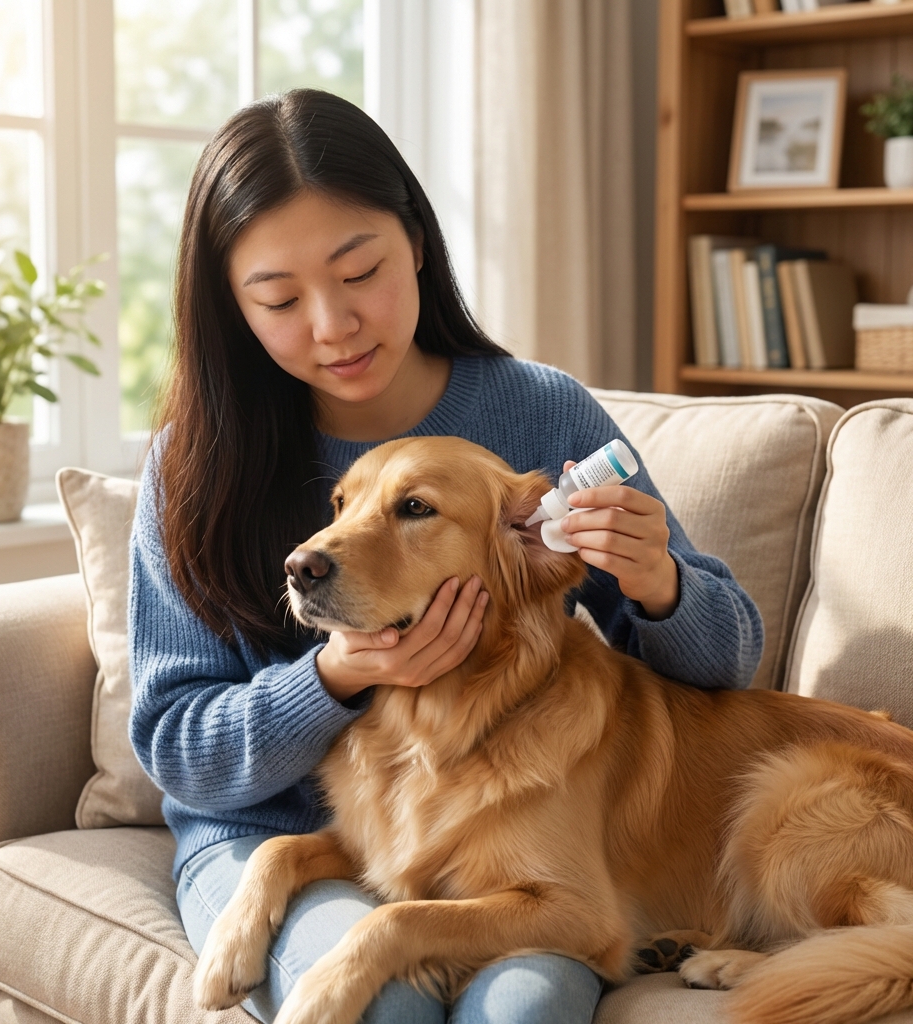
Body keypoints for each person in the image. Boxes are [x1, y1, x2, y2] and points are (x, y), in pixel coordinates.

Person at [128, 88, 763, 1024]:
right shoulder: (196, 458)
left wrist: (659, 579)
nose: (333, 323)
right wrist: (336, 678)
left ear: (416, 241)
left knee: (526, 1009)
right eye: (279, 298)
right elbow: (178, 748)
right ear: (233, 307)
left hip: (495, 843)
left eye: (360, 271)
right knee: (385, 1010)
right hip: (277, 835)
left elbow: (728, 664)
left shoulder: (541, 414)